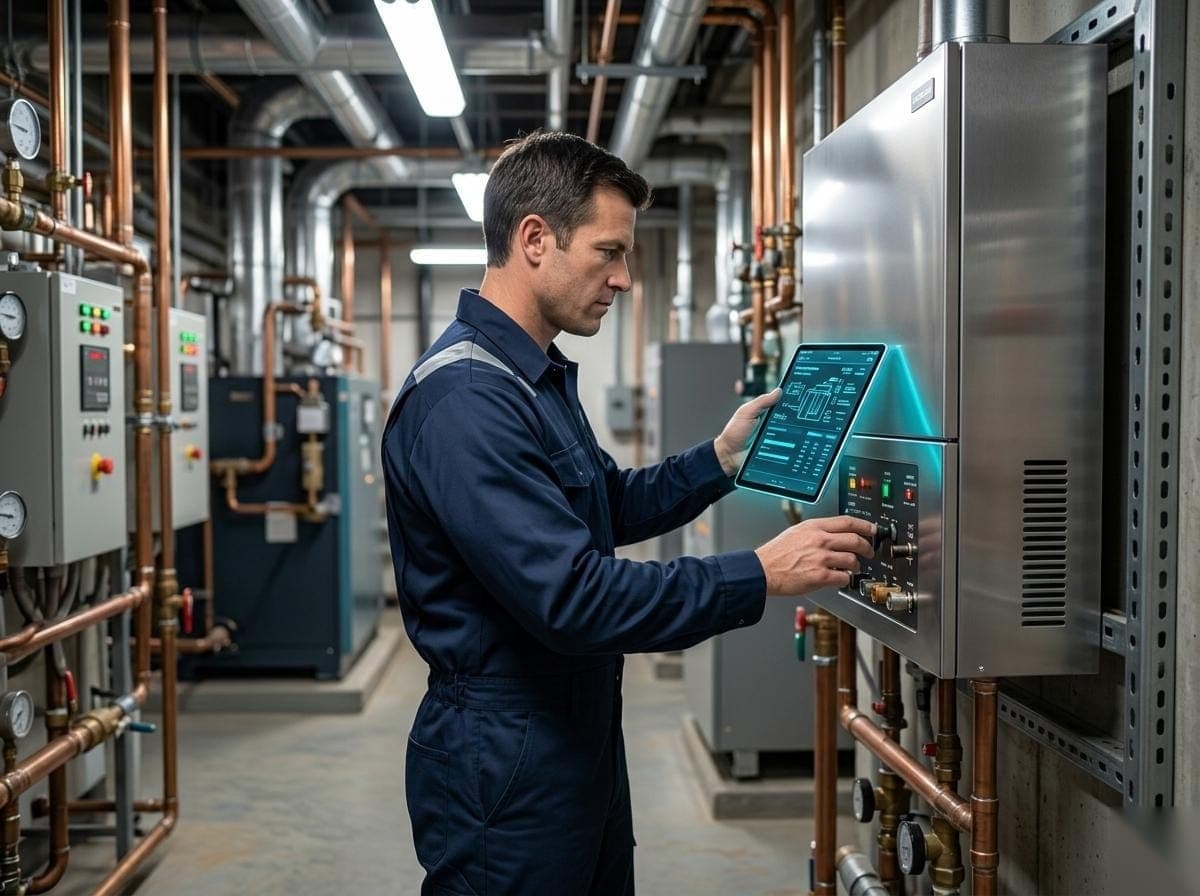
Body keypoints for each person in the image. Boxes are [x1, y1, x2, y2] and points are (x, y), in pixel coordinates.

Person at [382, 131, 875, 896]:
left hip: (570, 734)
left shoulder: (531, 379)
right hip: (507, 756)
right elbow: (573, 597)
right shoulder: (469, 399)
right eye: (608, 252)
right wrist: (758, 574)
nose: (623, 278)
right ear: (535, 240)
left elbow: (603, 505)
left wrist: (717, 460)